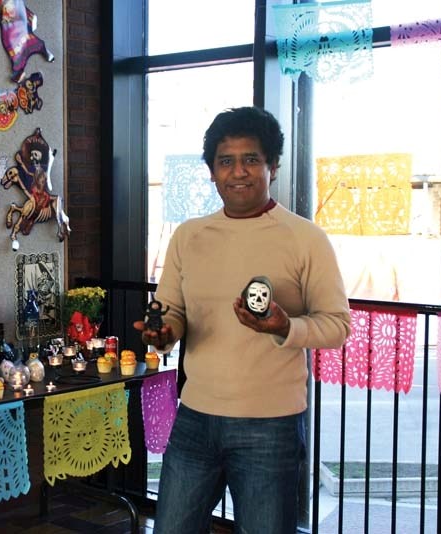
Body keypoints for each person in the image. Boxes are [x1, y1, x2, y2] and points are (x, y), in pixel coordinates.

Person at [134, 106, 350, 534]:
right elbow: (172, 311)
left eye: (251, 159)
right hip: (195, 418)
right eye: (225, 161)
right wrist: (162, 335)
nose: (239, 172)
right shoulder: (189, 236)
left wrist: (285, 327)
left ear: (273, 165)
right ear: (212, 172)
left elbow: (337, 325)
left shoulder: (306, 238)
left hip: (271, 428)